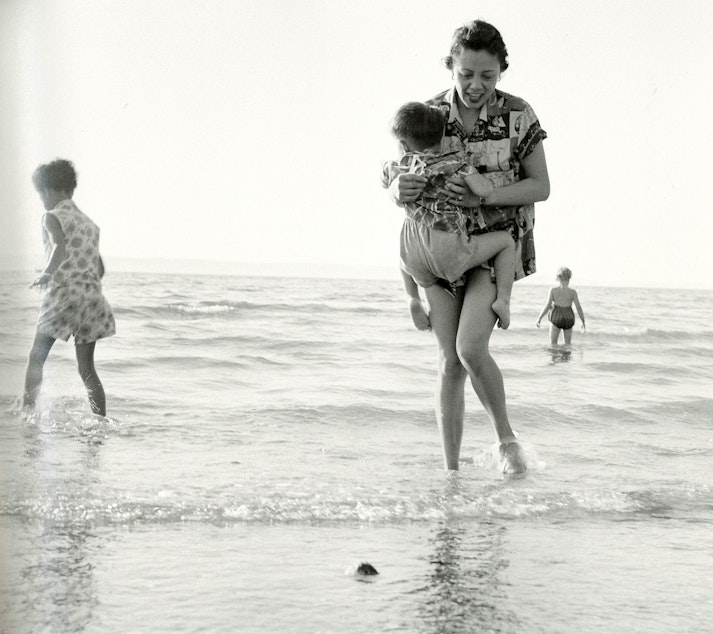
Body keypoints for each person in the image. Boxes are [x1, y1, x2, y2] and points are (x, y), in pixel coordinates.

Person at [386, 20, 550, 472]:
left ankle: (506, 442)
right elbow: (395, 170)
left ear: (501, 72)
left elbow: (541, 186)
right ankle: (451, 475)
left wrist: (487, 194)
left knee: (470, 349)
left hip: (491, 250)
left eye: (488, 76)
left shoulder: (519, 115)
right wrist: (397, 187)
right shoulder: (427, 113)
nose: (476, 85)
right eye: (466, 75)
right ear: (450, 68)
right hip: (439, 248)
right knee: (448, 362)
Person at [382, 101, 517, 330]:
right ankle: (503, 300)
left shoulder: (395, 167)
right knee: (505, 241)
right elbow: (484, 190)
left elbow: (387, 184)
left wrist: (396, 188)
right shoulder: (453, 162)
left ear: (403, 146)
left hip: (413, 247)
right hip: (447, 247)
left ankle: (412, 298)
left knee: (404, 260)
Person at [22, 159, 115, 417]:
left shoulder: (51, 217)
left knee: (36, 358)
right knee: (86, 368)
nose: (42, 201)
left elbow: (58, 248)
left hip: (64, 295)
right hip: (92, 300)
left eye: (41, 195)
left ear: (49, 190)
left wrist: (46, 274)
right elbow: (100, 270)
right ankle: (100, 420)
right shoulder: (90, 224)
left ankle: (27, 413)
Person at [536, 267, 586, 345]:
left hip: (556, 316)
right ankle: (566, 357)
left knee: (553, 344)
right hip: (568, 317)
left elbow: (548, 305)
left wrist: (539, 318)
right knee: (567, 345)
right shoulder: (573, 292)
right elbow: (578, 308)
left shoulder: (553, 290)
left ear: (558, 278)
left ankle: (554, 357)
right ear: (569, 278)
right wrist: (583, 322)